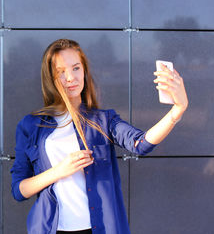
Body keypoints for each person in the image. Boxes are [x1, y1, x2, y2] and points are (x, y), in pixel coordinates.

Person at [10, 39, 188, 234]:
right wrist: (60, 170)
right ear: (50, 78)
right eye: (61, 72)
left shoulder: (103, 120)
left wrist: (178, 110)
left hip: (99, 228)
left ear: (84, 71)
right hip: (51, 229)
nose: (70, 77)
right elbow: (19, 190)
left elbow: (141, 144)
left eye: (76, 68)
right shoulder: (30, 125)